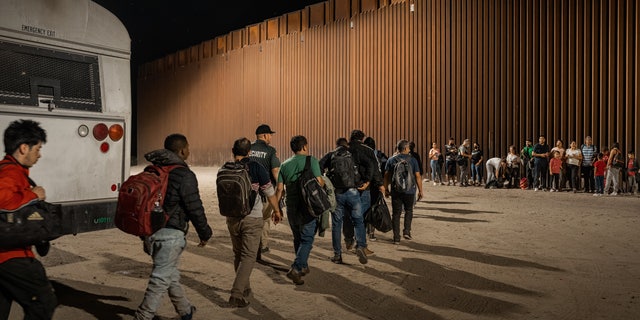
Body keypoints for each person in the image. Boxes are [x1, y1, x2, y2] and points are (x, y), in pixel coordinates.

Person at [135, 134, 212, 320]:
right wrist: (205, 233)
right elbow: (194, 206)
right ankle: (143, 316)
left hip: (149, 232)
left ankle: (185, 311)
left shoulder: (151, 170)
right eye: (188, 147)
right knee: (160, 279)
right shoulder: (185, 175)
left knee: (170, 274)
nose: (189, 151)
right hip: (170, 235)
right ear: (182, 150)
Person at [0, 119, 57, 319]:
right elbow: (3, 200)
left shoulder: (11, 170)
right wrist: (34, 195)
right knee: (43, 303)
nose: (39, 155)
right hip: (11, 256)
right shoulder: (10, 172)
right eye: (38, 148)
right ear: (24, 148)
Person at [226, 138, 282, 307]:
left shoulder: (225, 168)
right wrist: (277, 210)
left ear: (232, 151)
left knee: (238, 254)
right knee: (249, 256)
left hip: (232, 217)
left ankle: (245, 288)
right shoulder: (256, 167)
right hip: (253, 217)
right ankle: (236, 293)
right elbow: (269, 192)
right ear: (249, 152)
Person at [276, 135, 324, 285]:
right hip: (307, 206)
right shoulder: (312, 160)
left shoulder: (284, 165)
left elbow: (279, 189)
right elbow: (320, 182)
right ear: (304, 147)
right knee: (307, 238)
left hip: (291, 207)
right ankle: (296, 268)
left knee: (297, 237)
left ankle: (302, 266)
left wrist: (276, 209)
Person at [320, 139, 368, 265]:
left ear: (336, 145)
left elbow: (319, 166)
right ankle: (360, 246)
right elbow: (369, 164)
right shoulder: (353, 153)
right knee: (358, 220)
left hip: (337, 194)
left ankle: (337, 255)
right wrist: (365, 181)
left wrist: (326, 182)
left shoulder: (331, 155)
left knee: (337, 225)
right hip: (353, 192)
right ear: (347, 145)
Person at [343, 130, 383, 255]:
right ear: (362, 138)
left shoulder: (344, 149)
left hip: (346, 188)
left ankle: (349, 240)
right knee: (361, 217)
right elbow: (375, 169)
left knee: (348, 215)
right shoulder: (368, 150)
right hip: (364, 188)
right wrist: (380, 184)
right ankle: (361, 245)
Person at [249, 124, 281, 256]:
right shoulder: (270, 151)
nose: (271, 138)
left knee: (250, 218)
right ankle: (263, 245)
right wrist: (280, 186)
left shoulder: (248, 148)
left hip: (248, 192)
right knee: (265, 218)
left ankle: (251, 244)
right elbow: (275, 171)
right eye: (270, 135)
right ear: (265, 135)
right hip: (264, 192)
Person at [383, 140, 423, 244]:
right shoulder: (413, 160)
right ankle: (407, 231)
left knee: (396, 214)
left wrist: (386, 189)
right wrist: (420, 191)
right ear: (405, 148)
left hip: (396, 191)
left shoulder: (391, 160)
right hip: (410, 190)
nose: (409, 149)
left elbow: (386, 176)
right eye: (408, 147)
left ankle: (396, 238)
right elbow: (418, 176)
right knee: (409, 210)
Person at [363, 136, 387, 241]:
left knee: (364, 208)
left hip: (364, 185)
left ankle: (362, 231)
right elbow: (384, 170)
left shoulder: (362, 154)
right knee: (374, 208)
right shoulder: (380, 155)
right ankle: (371, 233)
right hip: (376, 185)